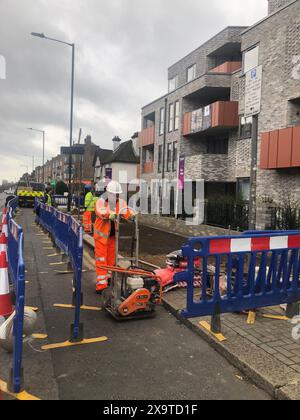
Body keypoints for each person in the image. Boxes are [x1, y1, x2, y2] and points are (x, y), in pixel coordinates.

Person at [94, 181, 135, 294]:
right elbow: (101, 212)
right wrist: (109, 214)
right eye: (113, 194)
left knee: (111, 260)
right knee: (101, 260)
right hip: (101, 237)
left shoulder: (120, 202)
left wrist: (131, 216)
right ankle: (101, 285)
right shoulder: (100, 201)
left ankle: (108, 278)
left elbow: (126, 211)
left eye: (117, 194)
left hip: (112, 236)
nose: (115, 196)